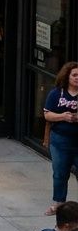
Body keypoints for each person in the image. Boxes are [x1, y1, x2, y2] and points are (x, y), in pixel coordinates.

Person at [44, 62, 78, 215]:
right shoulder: (56, 93)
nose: (77, 78)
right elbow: (47, 114)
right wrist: (63, 116)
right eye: (74, 75)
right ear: (67, 76)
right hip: (60, 140)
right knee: (60, 173)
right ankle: (59, 205)